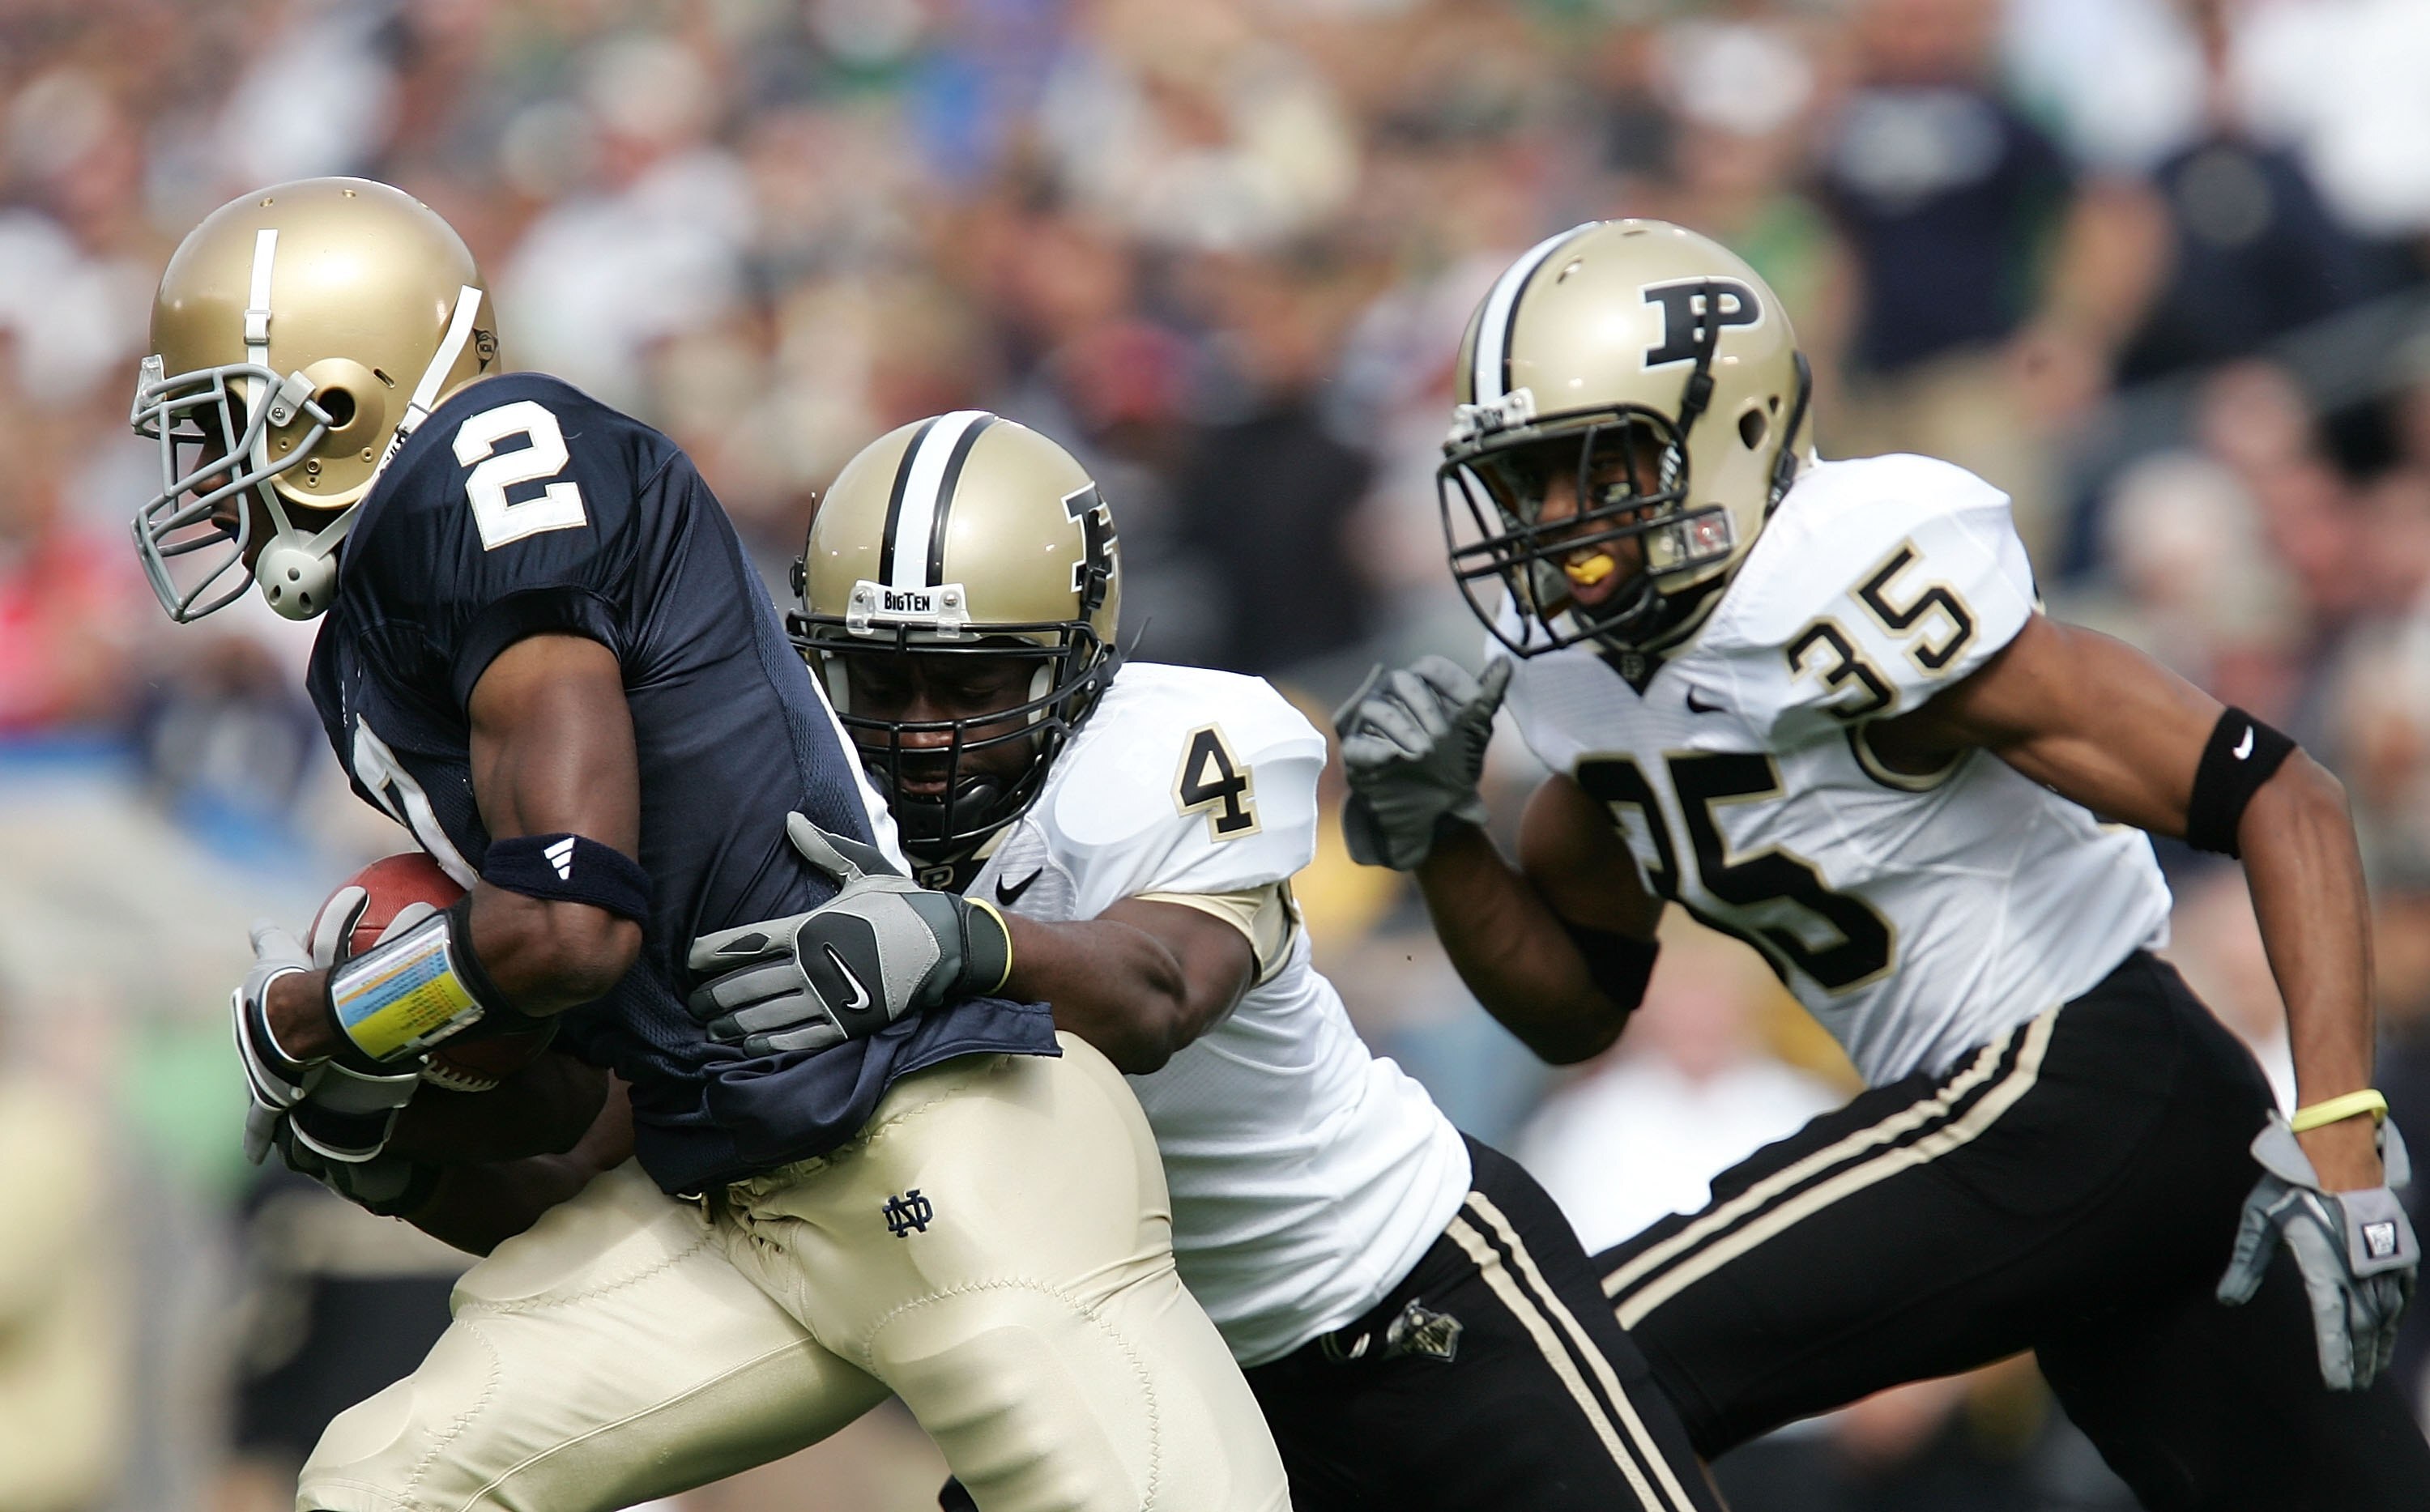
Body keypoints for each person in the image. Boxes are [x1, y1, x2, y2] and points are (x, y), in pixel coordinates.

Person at [130, 176, 1285, 1512]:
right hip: (734, 1195)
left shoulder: (489, 461)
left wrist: (331, 1019)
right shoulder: (376, 639)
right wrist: (382, 1130)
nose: (206, 480)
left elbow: (564, 927)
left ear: (334, 402)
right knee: (384, 1485)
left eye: (222, 424)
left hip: (940, 1147)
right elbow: (571, 1139)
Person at [1332, 218, 2430, 1509]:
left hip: (2075, 1074)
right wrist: (1443, 839)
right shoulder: (1575, 693)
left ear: (1727, 435)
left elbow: (2280, 793)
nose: (1556, 520)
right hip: (2068, 1133)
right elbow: (1574, 1007)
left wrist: (2343, 1134)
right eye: (1529, 481)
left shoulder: (1845, 577)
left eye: (1598, 466)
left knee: (1560, 1373)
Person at [685, 411, 1724, 1511]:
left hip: (1398, 1299)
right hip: (1125, 1372)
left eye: (979, 682)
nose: (925, 734)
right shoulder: (783, 792)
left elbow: (1162, 991)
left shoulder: (1180, 749)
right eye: (882, 685)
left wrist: (961, 941)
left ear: (1082, 660)